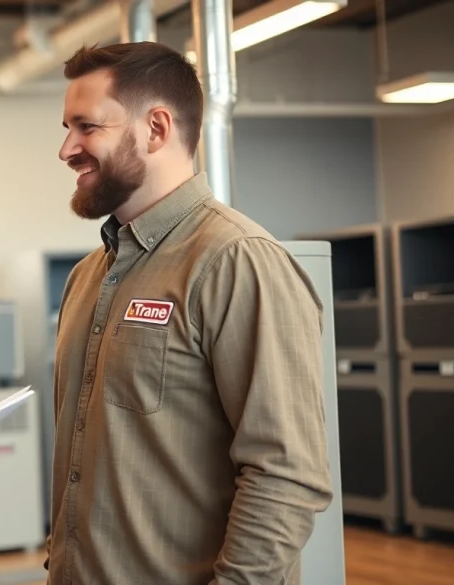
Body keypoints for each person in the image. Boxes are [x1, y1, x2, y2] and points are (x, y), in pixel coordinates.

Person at [46, 42, 333, 585]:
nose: (66, 149)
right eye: (66, 128)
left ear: (156, 128)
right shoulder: (87, 278)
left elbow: (286, 475)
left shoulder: (237, 261)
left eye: (86, 127)